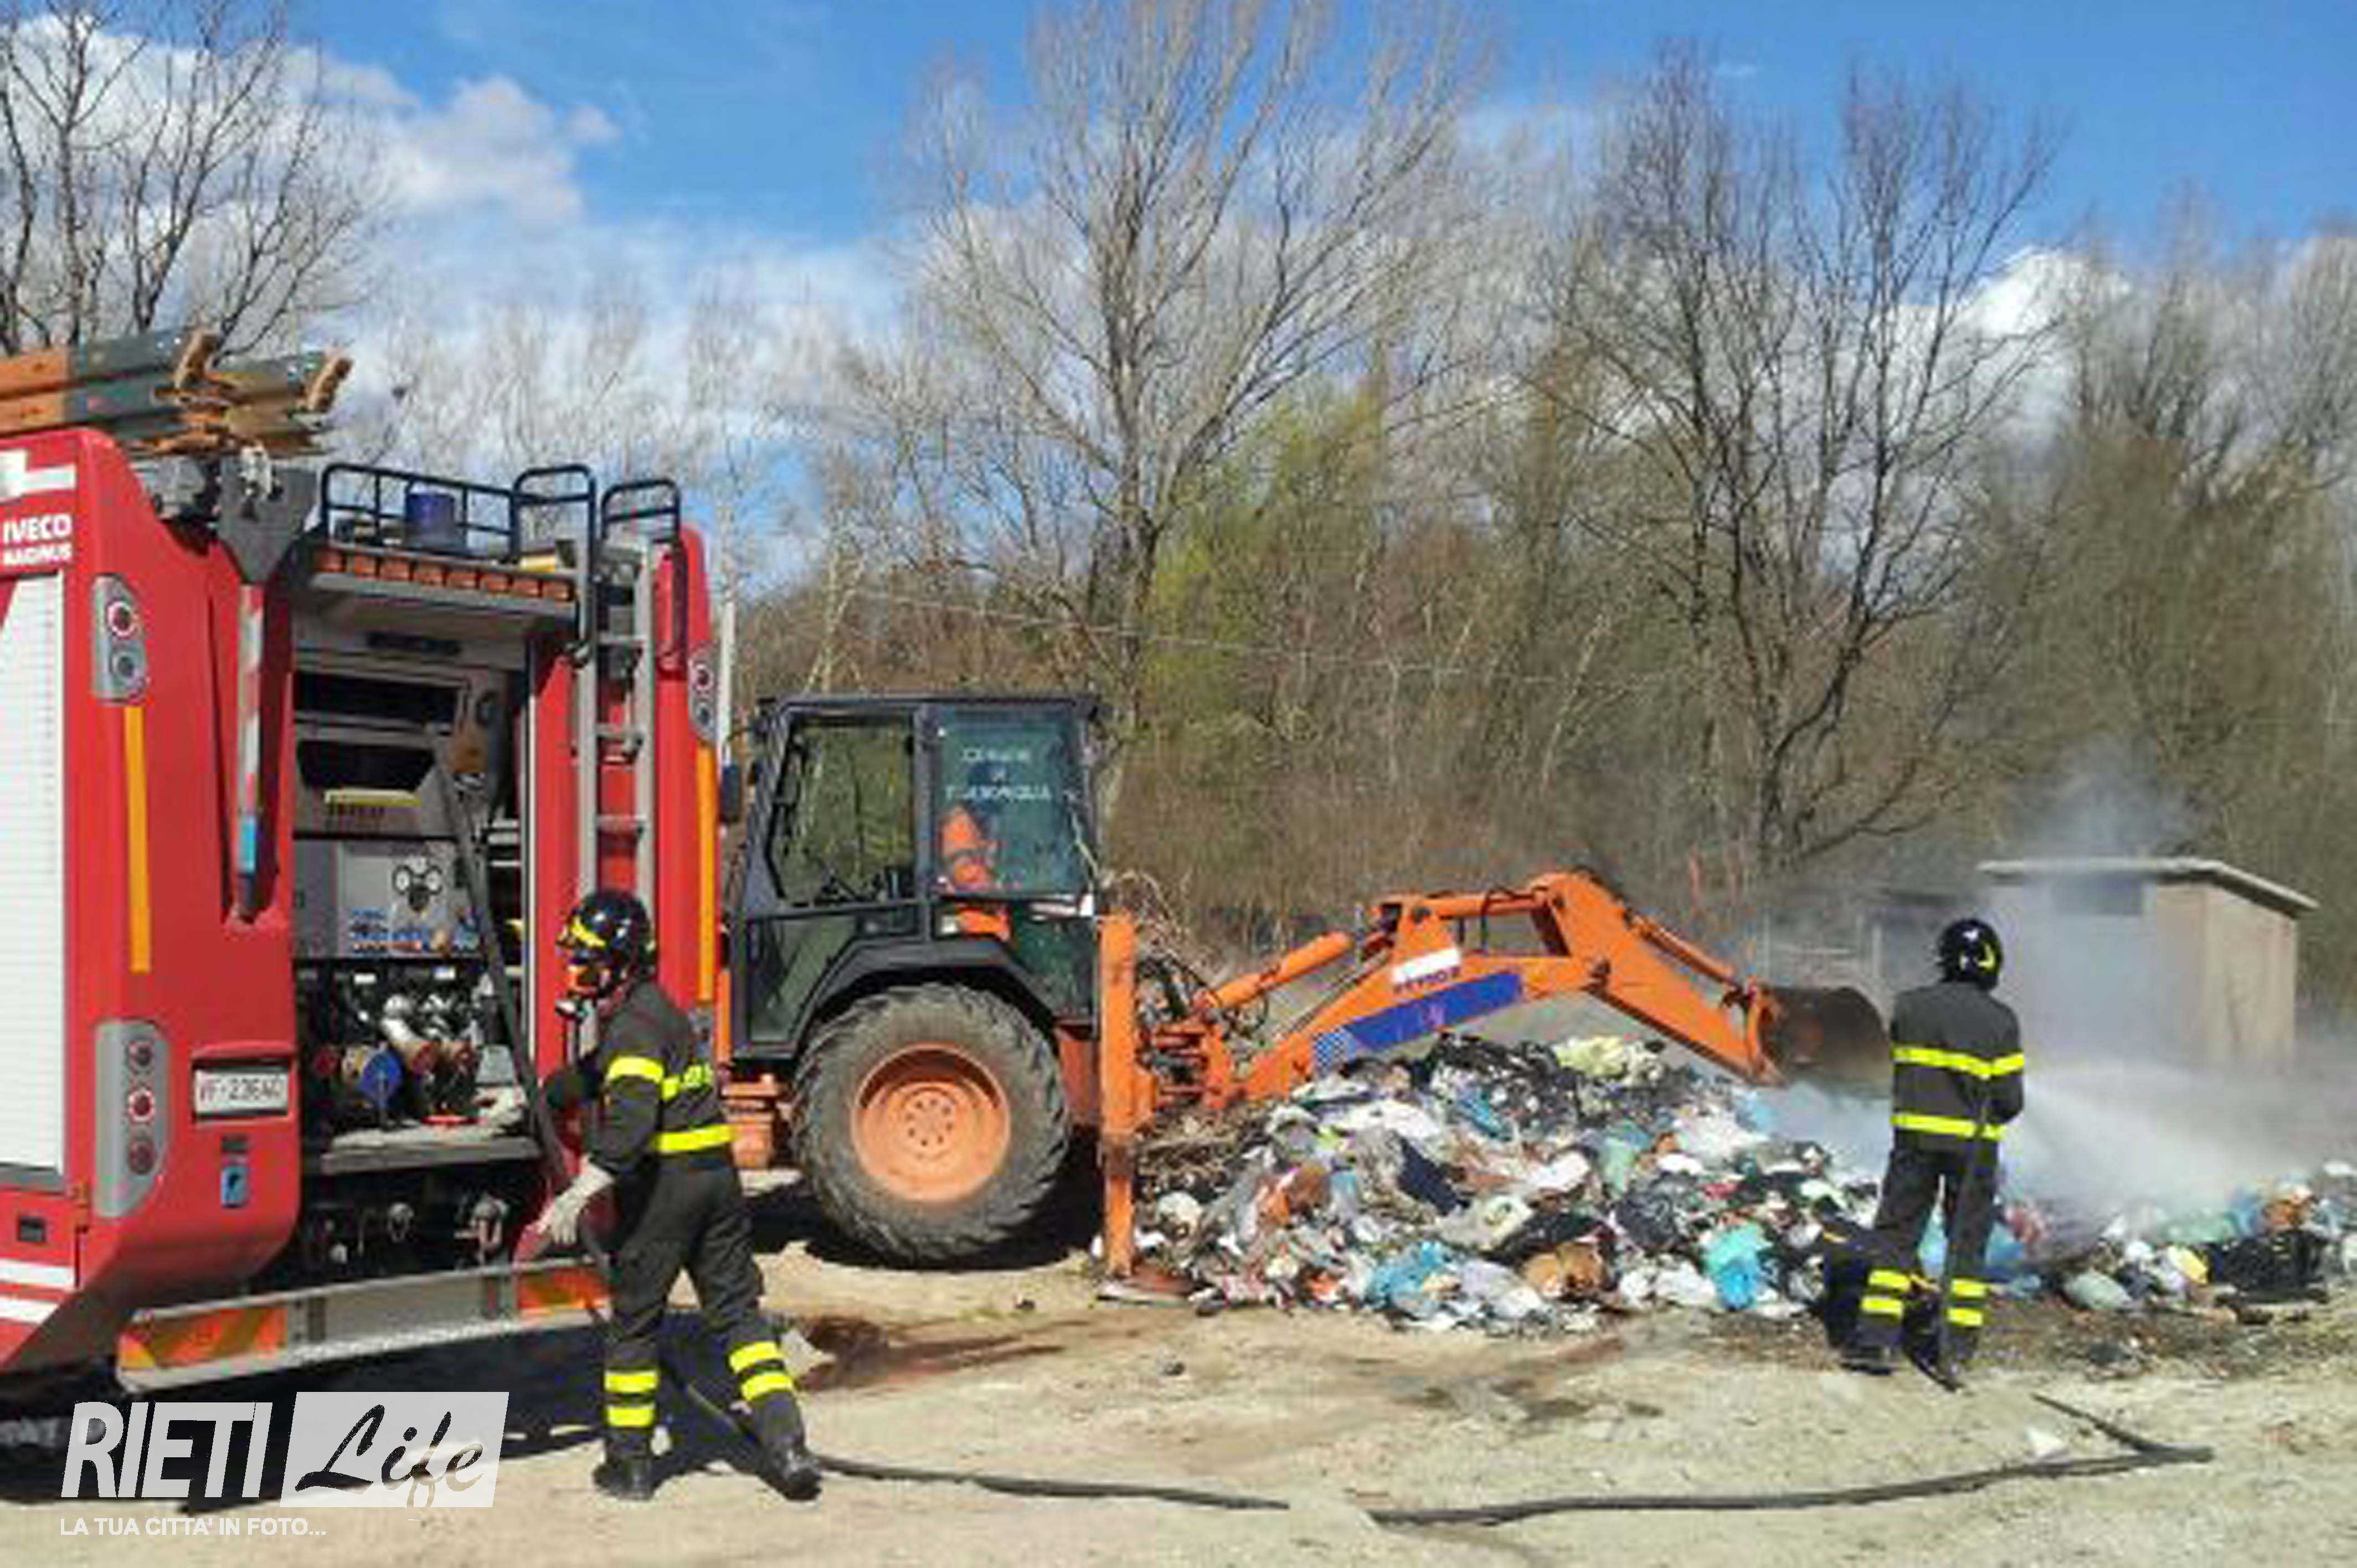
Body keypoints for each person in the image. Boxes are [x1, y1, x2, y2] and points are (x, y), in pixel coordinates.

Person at [532, 889, 821, 1502]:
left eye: (587, 961)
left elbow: (631, 1125)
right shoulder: (657, 1012)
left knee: (634, 1326)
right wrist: (543, 1095)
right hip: (716, 1184)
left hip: (666, 1191)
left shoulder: (633, 1027)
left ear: (620, 964)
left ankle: (630, 1467)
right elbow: (599, 1072)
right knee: (739, 1317)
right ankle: (788, 1447)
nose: (577, 973)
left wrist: (578, 1194)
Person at [1843, 916, 2024, 1379]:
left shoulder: (1909, 1007)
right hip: (1972, 1150)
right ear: (1990, 963)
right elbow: (2010, 1101)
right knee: (1965, 1245)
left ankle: (1875, 1342)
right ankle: (1955, 1351)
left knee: (1897, 1238)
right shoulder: (2000, 1021)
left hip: (1913, 1146)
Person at [938, 759, 1008, 893]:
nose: (1002, 796)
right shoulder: (958, 825)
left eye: (1004, 788)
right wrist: (998, 887)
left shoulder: (987, 822)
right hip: (969, 903)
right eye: (994, 789)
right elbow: (966, 877)